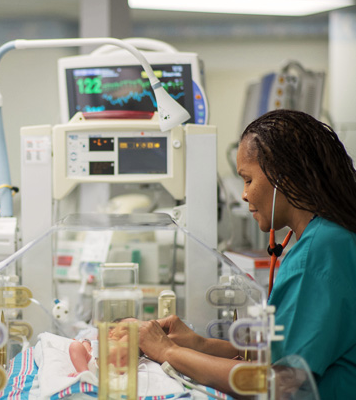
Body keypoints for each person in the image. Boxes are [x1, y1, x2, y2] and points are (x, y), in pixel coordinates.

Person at [114, 110, 356, 398]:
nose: (244, 195)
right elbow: (281, 348)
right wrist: (198, 345)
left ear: (283, 177)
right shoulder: (330, 238)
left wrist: (168, 351)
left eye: (248, 180)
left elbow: (278, 383)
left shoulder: (319, 253)